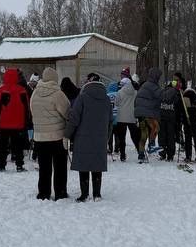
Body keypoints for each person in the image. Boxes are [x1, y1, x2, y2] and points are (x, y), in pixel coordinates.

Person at [65, 73, 111, 201]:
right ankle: (97, 194)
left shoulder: (82, 97)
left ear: (88, 83)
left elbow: (74, 118)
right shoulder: (106, 99)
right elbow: (110, 121)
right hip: (100, 138)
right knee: (97, 165)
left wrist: (67, 134)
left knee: (84, 166)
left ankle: (84, 194)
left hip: (83, 138)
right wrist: (107, 137)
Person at [30, 67, 70, 199]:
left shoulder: (35, 93)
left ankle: (43, 193)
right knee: (60, 167)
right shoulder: (58, 94)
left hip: (40, 137)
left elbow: (32, 110)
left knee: (44, 167)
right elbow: (67, 112)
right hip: (57, 137)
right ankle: (60, 192)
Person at [0, 68, 30, 172]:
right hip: (18, 124)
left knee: (3, 145)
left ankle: (1, 165)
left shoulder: (1, 90)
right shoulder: (22, 90)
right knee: (18, 146)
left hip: (2, 124)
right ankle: (19, 165)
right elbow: (26, 107)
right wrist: (27, 120)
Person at [133, 67, 163, 163]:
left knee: (144, 134)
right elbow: (161, 96)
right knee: (156, 126)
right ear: (156, 76)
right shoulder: (153, 86)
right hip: (147, 112)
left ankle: (141, 155)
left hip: (140, 113)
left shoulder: (145, 84)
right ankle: (151, 145)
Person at [113, 77, 139, 162]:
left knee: (122, 137)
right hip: (132, 116)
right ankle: (140, 152)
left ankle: (123, 155)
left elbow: (116, 103)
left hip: (121, 117)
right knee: (135, 136)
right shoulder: (135, 92)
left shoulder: (119, 92)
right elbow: (136, 103)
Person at [159, 76, 181, 161]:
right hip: (172, 117)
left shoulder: (162, 92)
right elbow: (178, 107)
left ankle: (162, 152)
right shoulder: (176, 93)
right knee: (171, 136)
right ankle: (170, 154)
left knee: (162, 135)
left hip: (162, 116)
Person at [181, 80, 196, 163]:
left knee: (188, 139)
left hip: (188, 121)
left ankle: (188, 156)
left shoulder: (184, 99)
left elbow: (182, 111)